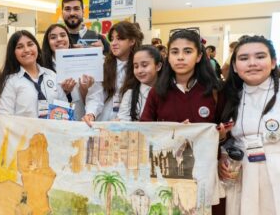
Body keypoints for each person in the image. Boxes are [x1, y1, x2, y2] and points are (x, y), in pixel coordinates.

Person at [140, 28, 228, 214]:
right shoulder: (157, 92)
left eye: (187, 51)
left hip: (206, 176)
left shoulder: (215, 90)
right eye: (175, 52)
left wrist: (221, 135)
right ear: (168, 57)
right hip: (167, 176)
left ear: (198, 56)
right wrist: (174, 133)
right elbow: (144, 130)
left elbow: (226, 129)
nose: (180, 57)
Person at [219, 35, 280, 215]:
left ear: (273, 62)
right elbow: (227, 138)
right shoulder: (229, 97)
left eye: (260, 57)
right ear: (235, 68)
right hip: (242, 173)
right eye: (244, 59)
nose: (252, 63)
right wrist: (224, 157)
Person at [83, 21, 143, 124]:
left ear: (132, 41)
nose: (113, 43)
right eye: (112, 39)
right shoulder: (103, 64)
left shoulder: (139, 66)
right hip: (104, 121)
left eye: (119, 39)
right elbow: (96, 95)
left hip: (130, 123)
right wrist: (91, 113)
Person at [0, 30, 67, 118]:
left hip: (53, 131)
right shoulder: (10, 82)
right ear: (13, 53)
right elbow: (4, 117)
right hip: (24, 131)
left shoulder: (52, 75)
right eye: (20, 47)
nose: (26, 50)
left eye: (30, 44)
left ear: (37, 47)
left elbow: (64, 108)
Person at [41, 24, 94, 120]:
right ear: (48, 43)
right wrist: (63, 92)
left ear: (68, 38)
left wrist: (84, 88)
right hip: (57, 121)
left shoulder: (82, 61)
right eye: (53, 37)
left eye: (63, 35)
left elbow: (94, 99)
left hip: (82, 119)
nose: (59, 39)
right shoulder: (42, 67)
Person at [117, 45, 162, 121]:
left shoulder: (169, 92)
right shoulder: (130, 95)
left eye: (144, 65)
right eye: (136, 66)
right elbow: (123, 122)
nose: (139, 71)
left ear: (158, 66)